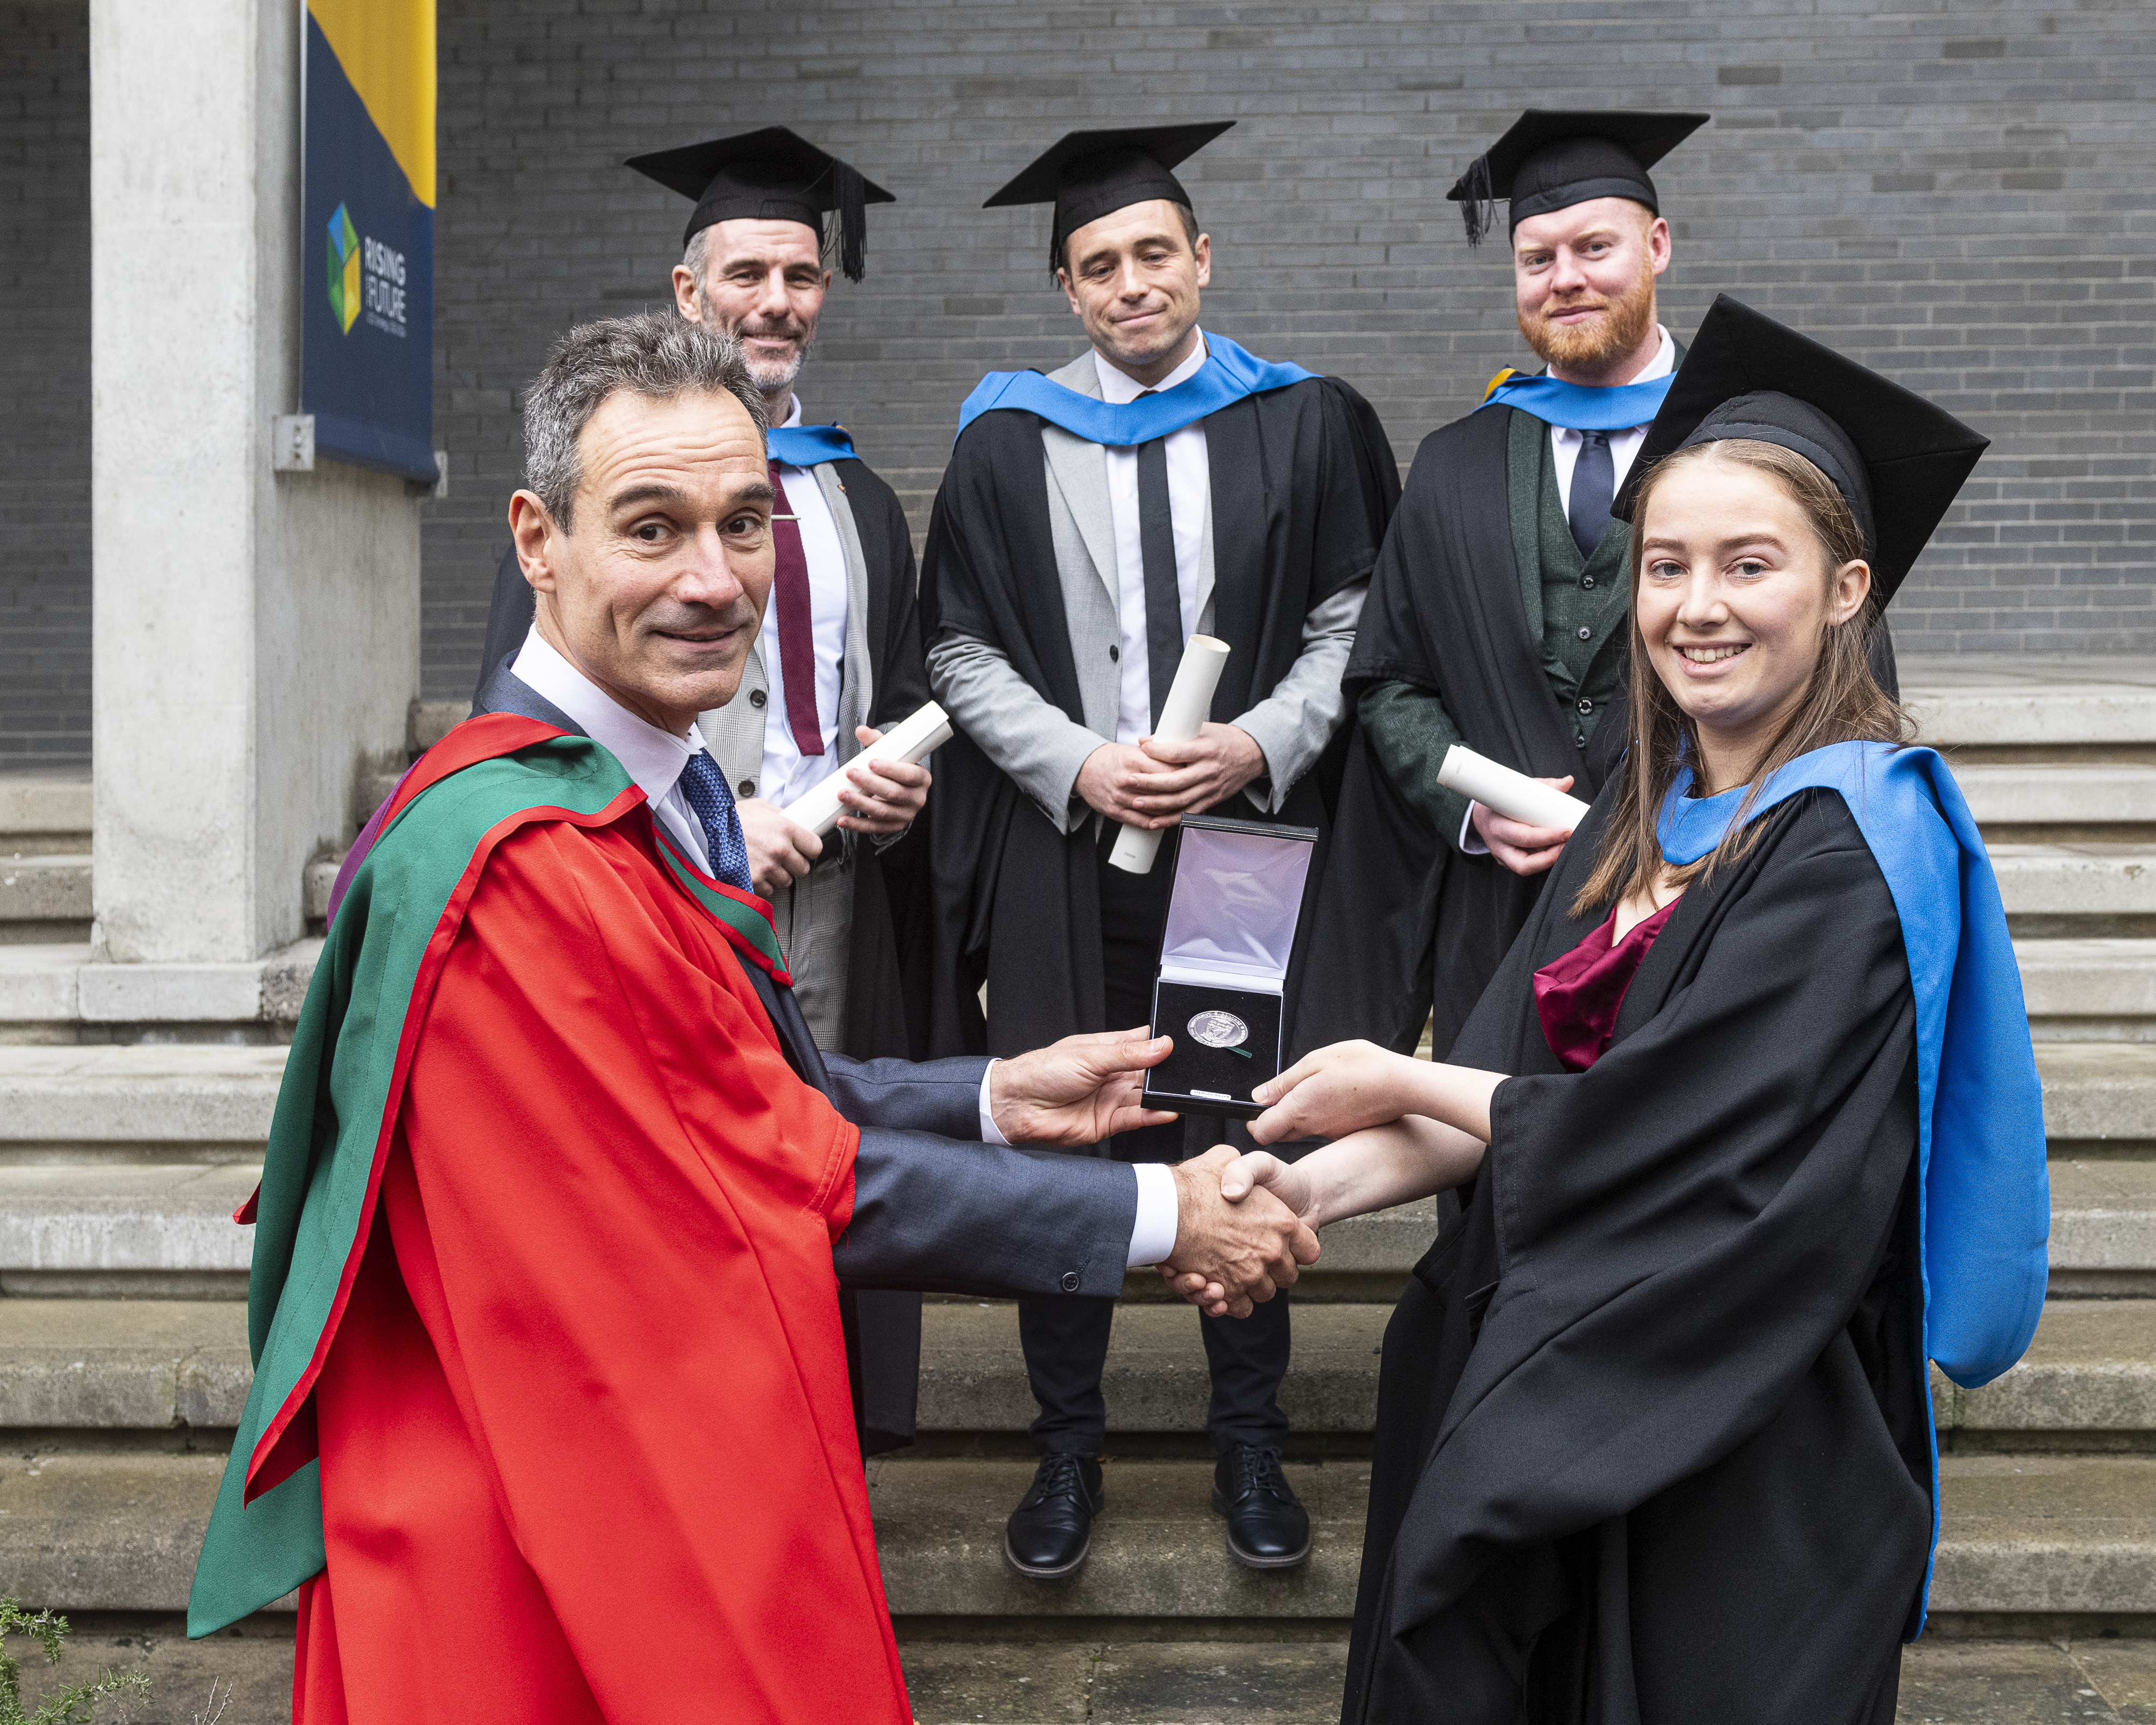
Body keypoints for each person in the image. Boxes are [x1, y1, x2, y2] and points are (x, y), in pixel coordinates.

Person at [187, 313, 1319, 1725]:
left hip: (579, 1488)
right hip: (529, 1560)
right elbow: (770, 1177)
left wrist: (985, 1096)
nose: (714, 579)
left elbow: (701, 1081)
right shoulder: (515, 870)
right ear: (538, 541)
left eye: (743, 524)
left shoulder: (613, 788)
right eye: (651, 529)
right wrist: (1163, 1215)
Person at [1178, 298, 2050, 1723]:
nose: (1696, 606)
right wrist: (1290, 1194)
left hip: (1739, 1438)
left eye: (1749, 564)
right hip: (1559, 1398)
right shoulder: (1637, 822)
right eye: (1667, 565)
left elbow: (1665, 1139)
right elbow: (1505, 1086)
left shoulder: (1855, 847)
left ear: (1846, 590)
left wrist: (1390, 1080)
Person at [920, 122, 1399, 1579]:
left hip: (1246, 841)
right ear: (1067, 290)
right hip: (1069, 852)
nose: (1132, 284)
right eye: (1098, 266)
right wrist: (1083, 765)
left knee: (1237, 1124)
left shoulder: (1305, 422)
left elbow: (1353, 617)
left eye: (1153, 255)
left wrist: (1254, 742)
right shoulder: (1005, 438)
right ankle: (1066, 1445)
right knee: (1081, 1131)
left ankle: (1247, 1439)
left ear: (1203, 259)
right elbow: (958, 643)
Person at [466, 127, 938, 1454]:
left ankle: (819, 1426)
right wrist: (715, 829)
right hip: (663, 876)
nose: (772, 301)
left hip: (832, 891)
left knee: (824, 1143)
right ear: (688, 293)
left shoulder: (854, 496)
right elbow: (534, 686)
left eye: (798, 274)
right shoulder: (599, 481)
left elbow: (880, 682)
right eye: (744, 273)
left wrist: (882, 777)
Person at [1305, 109, 1834, 1063]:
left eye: (1596, 247)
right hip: (1505, 905)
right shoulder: (1454, 465)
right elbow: (1389, 677)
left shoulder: (1752, 452)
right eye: (1538, 257)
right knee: (1489, 1156)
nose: (1568, 279)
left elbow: (1832, 664)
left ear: (1658, 245)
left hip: (1702, 891)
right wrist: (1467, 804)